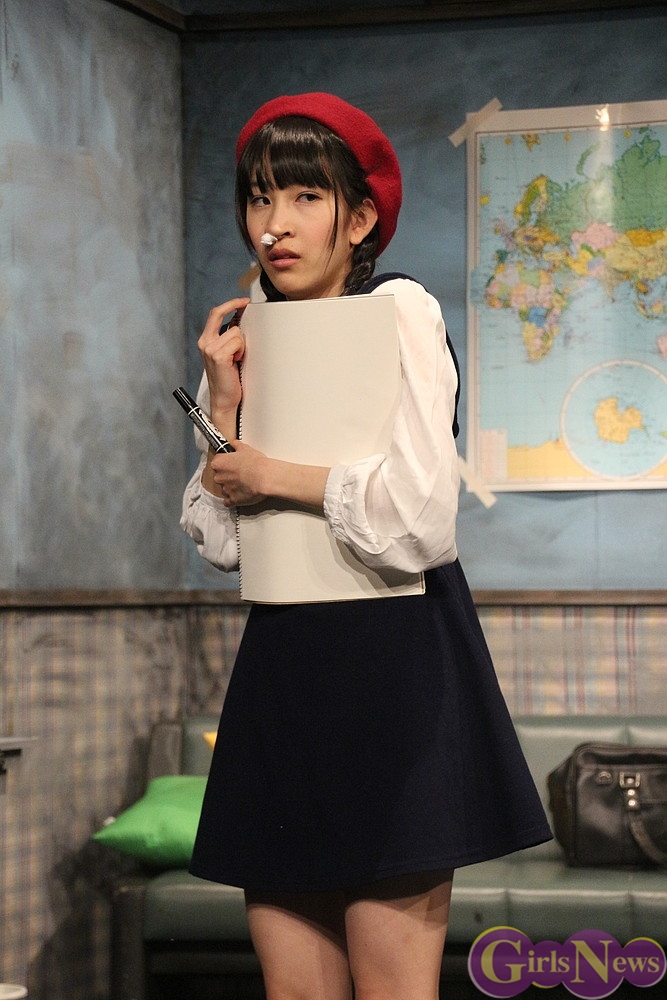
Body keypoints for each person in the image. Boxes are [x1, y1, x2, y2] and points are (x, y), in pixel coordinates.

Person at [181, 92, 552, 1000]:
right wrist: (221, 404)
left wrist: (277, 476)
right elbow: (219, 541)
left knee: (392, 987)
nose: (274, 224)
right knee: (295, 990)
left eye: (304, 197)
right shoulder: (252, 330)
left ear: (359, 219)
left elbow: (420, 521)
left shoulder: (400, 308)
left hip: (396, 659)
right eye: (259, 198)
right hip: (285, 664)